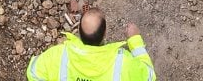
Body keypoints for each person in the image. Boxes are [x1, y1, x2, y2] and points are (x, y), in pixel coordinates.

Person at [26, 8, 155, 81]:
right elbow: (149, 76)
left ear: (78, 31)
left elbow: (33, 73)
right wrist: (135, 40)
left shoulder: (58, 55)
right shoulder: (123, 63)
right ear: (104, 33)